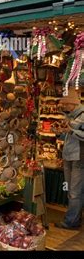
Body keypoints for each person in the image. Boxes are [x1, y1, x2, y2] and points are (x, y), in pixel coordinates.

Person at [55, 88, 84, 230]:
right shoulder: (70, 116)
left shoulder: (83, 115)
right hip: (68, 156)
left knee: (75, 191)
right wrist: (60, 133)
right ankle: (74, 218)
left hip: (79, 158)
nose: (63, 106)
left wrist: (70, 131)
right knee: (69, 189)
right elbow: (68, 137)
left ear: (73, 103)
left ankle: (71, 221)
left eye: (66, 104)